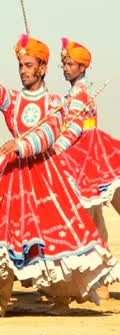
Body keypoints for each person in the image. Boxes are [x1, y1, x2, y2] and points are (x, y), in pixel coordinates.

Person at [0, 36, 119, 317]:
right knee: (5, 233)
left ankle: (61, 298)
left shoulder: (54, 101)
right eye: (20, 65)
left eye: (28, 65)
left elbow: (49, 133)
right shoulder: (15, 99)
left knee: (52, 236)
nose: (23, 70)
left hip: (44, 176)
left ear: (42, 68)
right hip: (14, 176)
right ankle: (1, 297)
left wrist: (19, 145)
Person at [53, 38, 120, 240]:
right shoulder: (74, 92)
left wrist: (54, 152)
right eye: (64, 64)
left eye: (70, 64)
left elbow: (74, 127)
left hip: (86, 148)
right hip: (82, 147)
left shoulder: (79, 92)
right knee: (92, 211)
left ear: (82, 67)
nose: (66, 68)